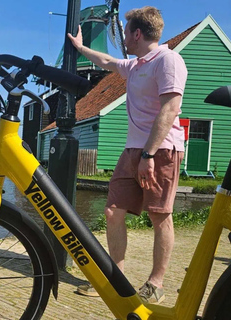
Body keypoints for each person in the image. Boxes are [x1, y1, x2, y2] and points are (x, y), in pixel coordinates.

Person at [68, 6, 187, 304]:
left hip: (160, 150)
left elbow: (170, 108)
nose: (121, 38)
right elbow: (106, 60)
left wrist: (149, 155)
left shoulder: (168, 60)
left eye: (125, 32)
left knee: (159, 216)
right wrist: (81, 47)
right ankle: (117, 278)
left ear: (137, 33)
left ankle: (155, 283)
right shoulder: (135, 66)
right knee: (112, 212)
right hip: (133, 149)